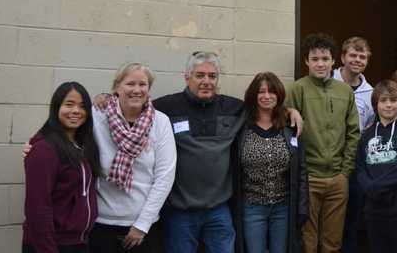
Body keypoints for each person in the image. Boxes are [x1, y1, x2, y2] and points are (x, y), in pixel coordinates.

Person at [153, 51, 302, 253]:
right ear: (187, 77)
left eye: (212, 76)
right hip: (180, 212)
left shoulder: (234, 108)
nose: (206, 81)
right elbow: (135, 103)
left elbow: (265, 107)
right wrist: (108, 98)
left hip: (219, 211)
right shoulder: (166, 107)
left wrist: (289, 111)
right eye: (200, 75)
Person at [89, 63, 176, 253]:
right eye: (130, 84)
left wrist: (142, 225)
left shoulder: (160, 122)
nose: (137, 90)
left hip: (144, 228)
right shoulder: (96, 115)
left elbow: (164, 177)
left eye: (142, 84)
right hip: (101, 224)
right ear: (116, 88)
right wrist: (34, 146)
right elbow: (63, 133)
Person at [285, 33, 361, 253]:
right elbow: (284, 127)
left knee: (332, 242)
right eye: (315, 59)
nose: (320, 63)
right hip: (309, 178)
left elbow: (353, 132)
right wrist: (288, 109)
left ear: (333, 61)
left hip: (338, 178)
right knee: (308, 241)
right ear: (307, 61)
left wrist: (345, 171)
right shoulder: (297, 89)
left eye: (325, 59)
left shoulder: (344, 91)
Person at [232, 72, 309, 253]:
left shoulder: (290, 127)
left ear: (279, 94)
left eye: (272, 92)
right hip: (252, 207)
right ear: (253, 95)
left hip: (283, 208)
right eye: (261, 92)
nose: (267, 96)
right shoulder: (241, 126)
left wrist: (302, 208)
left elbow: (302, 170)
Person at [23, 82, 101, 253]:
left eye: (82, 106)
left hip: (78, 243)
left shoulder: (84, 146)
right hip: (51, 245)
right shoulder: (44, 149)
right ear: (56, 107)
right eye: (69, 104)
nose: (76, 111)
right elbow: (37, 208)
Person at [355, 80, 397, 253]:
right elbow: (360, 166)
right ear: (375, 104)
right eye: (383, 100)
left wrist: (378, 186)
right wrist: (369, 187)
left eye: (393, 100)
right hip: (374, 211)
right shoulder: (367, 134)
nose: (388, 105)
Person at [332, 36, 373, 253]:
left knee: (352, 220)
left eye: (362, 56)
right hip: (328, 161)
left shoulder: (371, 93)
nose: (357, 60)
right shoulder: (327, 80)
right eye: (353, 55)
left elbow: (370, 127)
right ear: (342, 58)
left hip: (356, 165)